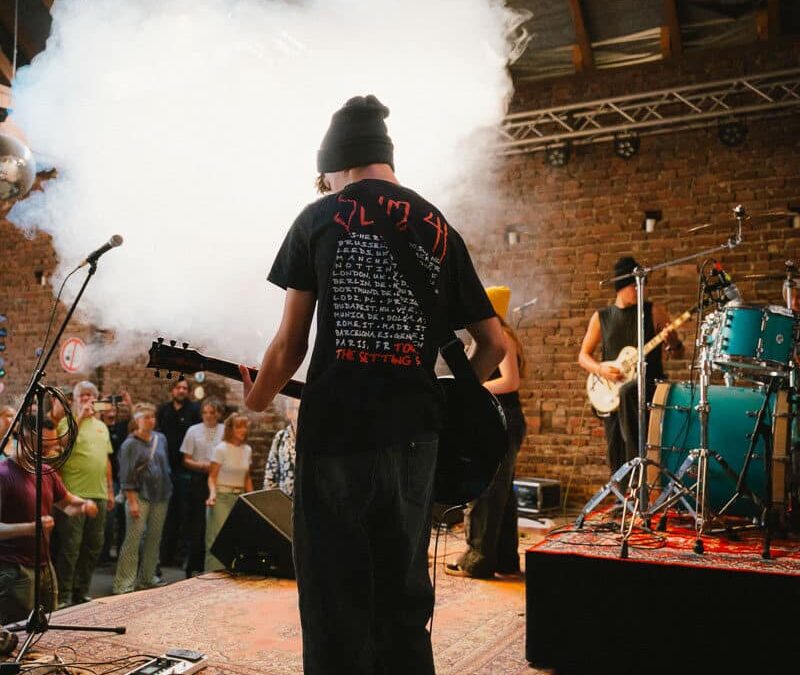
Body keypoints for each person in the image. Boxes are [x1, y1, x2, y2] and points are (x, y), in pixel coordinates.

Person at [239, 94, 505, 675]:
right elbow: (493, 344)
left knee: (335, 601)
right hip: (416, 439)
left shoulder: (319, 218)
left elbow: (289, 346)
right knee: (403, 601)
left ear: (337, 164)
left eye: (325, 178)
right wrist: (442, 398)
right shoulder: (438, 226)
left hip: (338, 435)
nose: (326, 186)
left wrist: (256, 398)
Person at [446, 286, 527, 579]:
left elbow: (510, 381)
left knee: (487, 489)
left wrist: (471, 388)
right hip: (499, 418)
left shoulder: (501, 337)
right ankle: (504, 559)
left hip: (503, 418)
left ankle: (478, 560)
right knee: (502, 493)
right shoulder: (489, 338)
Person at [578, 256, 684, 479]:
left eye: (642, 286)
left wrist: (673, 342)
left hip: (647, 389)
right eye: (634, 286)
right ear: (620, 286)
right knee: (615, 452)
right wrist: (601, 370)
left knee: (630, 394)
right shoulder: (601, 317)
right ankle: (623, 493)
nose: (640, 291)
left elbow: (678, 353)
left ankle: (641, 480)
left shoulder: (653, 311)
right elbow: (583, 356)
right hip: (613, 391)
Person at [0, 418, 98, 623]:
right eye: (43, 446)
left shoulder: (46, 471)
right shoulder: (4, 474)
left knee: (49, 625)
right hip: (15, 568)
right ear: (25, 437)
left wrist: (84, 505)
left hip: (45, 565)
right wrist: (30, 528)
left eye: (51, 446)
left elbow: (67, 504)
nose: (47, 452)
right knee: (17, 628)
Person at [51, 380, 114, 608]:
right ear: (75, 400)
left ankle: (82, 590)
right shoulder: (66, 422)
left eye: (90, 395)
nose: (87, 399)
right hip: (74, 494)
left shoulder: (102, 427)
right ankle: (64, 594)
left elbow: (105, 460)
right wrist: (80, 418)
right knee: (70, 547)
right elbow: (63, 444)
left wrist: (110, 490)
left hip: (99, 494)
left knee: (93, 545)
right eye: (82, 395)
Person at [112, 402, 172, 595]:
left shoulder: (161, 439)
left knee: (154, 538)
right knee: (133, 539)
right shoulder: (130, 444)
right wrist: (132, 501)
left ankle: (147, 577)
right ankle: (124, 583)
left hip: (161, 494)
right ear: (137, 420)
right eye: (146, 417)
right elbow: (126, 474)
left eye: (152, 417)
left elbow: (165, 465)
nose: (150, 421)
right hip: (138, 495)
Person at [156, 379, 201, 568]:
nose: (181, 390)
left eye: (185, 388)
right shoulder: (163, 410)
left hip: (185, 470)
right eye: (178, 387)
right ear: (172, 390)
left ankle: (182, 556)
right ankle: (165, 555)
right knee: (167, 514)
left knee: (185, 513)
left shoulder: (194, 410)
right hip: (165, 469)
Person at [180, 397, 224, 578]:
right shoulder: (193, 430)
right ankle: (193, 564)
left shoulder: (224, 430)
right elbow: (186, 459)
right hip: (199, 479)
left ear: (218, 414)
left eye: (212, 412)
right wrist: (203, 466)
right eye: (205, 412)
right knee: (197, 523)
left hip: (219, 478)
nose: (208, 416)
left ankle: (215, 564)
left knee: (216, 522)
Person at [204, 412, 253, 572]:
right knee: (217, 540)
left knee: (235, 540)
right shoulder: (221, 449)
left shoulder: (247, 450)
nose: (243, 430)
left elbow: (247, 478)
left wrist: (252, 500)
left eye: (245, 427)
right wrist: (212, 494)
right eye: (239, 427)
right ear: (230, 429)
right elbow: (212, 477)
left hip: (239, 499)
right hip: (222, 497)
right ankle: (212, 578)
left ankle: (230, 578)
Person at [98, 391, 132, 564]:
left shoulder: (121, 427)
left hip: (121, 479)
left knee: (123, 519)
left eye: (113, 407)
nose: (110, 410)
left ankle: (120, 553)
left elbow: (134, 421)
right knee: (108, 520)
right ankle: (103, 554)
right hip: (106, 480)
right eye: (106, 407)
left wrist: (129, 404)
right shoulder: (98, 428)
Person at [263, 397, 298, 498]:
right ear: (289, 413)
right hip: (284, 500)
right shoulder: (281, 437)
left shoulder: (313, 438)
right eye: (297, 409)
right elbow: (270, 472)